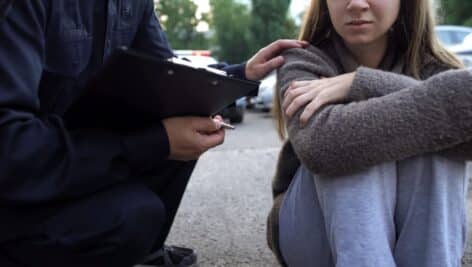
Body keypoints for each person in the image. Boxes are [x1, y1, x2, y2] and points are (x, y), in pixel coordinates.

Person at [0, 1, 307, 267]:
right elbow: (10, 146)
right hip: (20, 188)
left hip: (78, 166)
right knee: (134, 216)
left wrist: (242, 74)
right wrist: (153, 143)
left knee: (191, 113)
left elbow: (170, 75)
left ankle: (141, 250)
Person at [267, 0, 472, 266]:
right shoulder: (302, 58)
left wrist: (361, 83)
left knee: (434, 136)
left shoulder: (434, 65)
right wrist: (428, 99)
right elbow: (321, 147)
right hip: (310, 233)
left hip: (409, 233)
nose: (356, 4)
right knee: (353, 141)